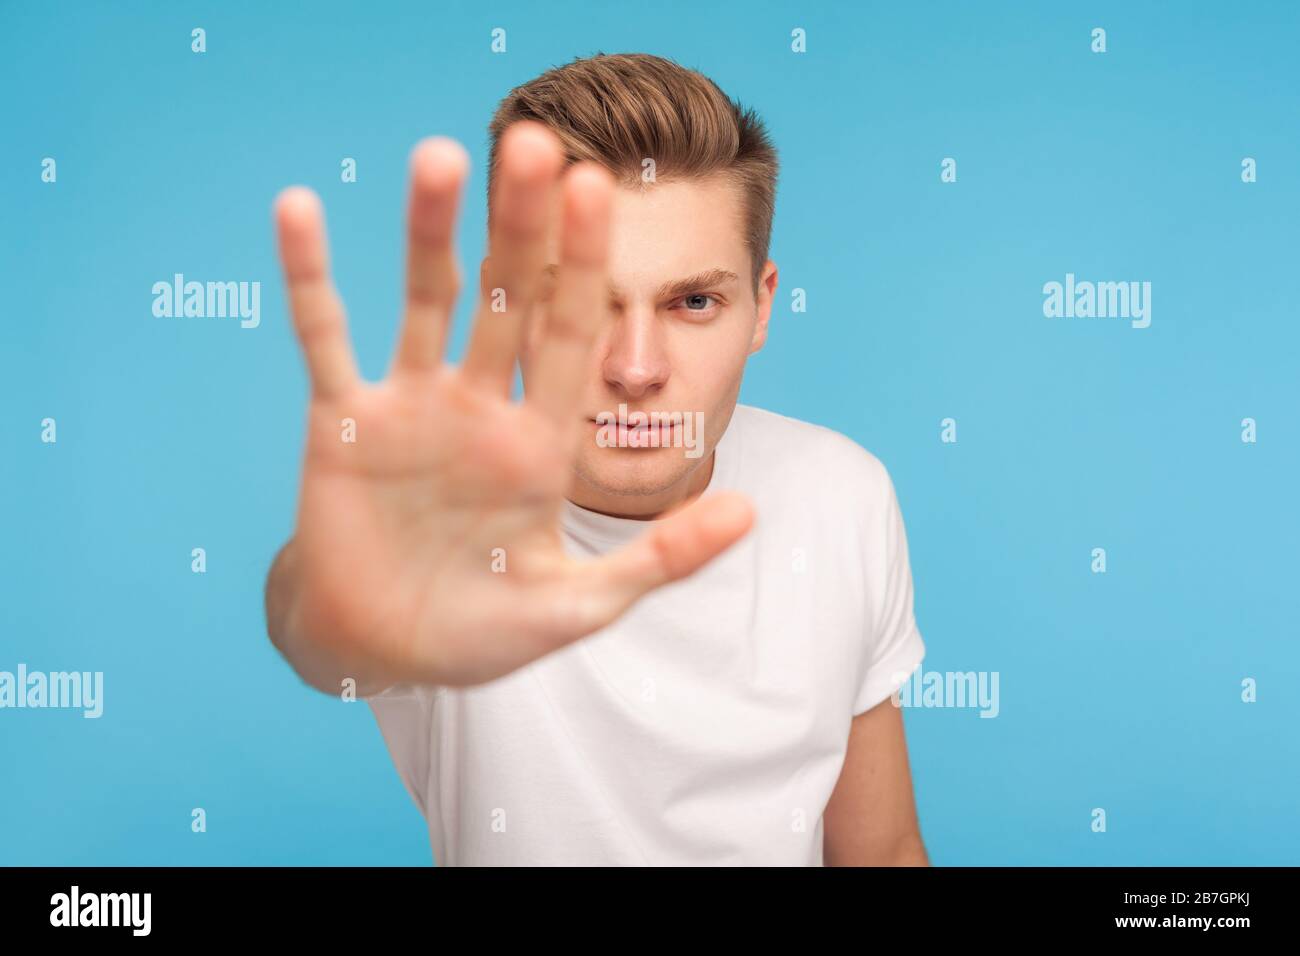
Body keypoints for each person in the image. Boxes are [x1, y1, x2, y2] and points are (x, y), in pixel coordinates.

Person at [265, 52, 929, 866]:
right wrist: (333, 588)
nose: (635, 368)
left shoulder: (844, 494)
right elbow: (320, 626)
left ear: (760, 307)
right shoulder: (448, 522)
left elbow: (884, 851)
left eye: (693, 302)